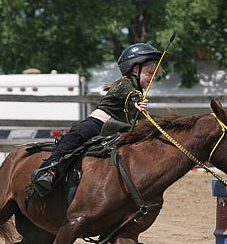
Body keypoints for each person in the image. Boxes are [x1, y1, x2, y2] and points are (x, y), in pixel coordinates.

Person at [30, 43, 163, 197]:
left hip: (117, 129)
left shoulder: (137, 92)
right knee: (74, 137)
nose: (152, 78)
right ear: (135, 69)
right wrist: (136, 100)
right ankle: (49, 170)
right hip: (98, 123)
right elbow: (128, 94)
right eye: (150, 73)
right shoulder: (124, 84)